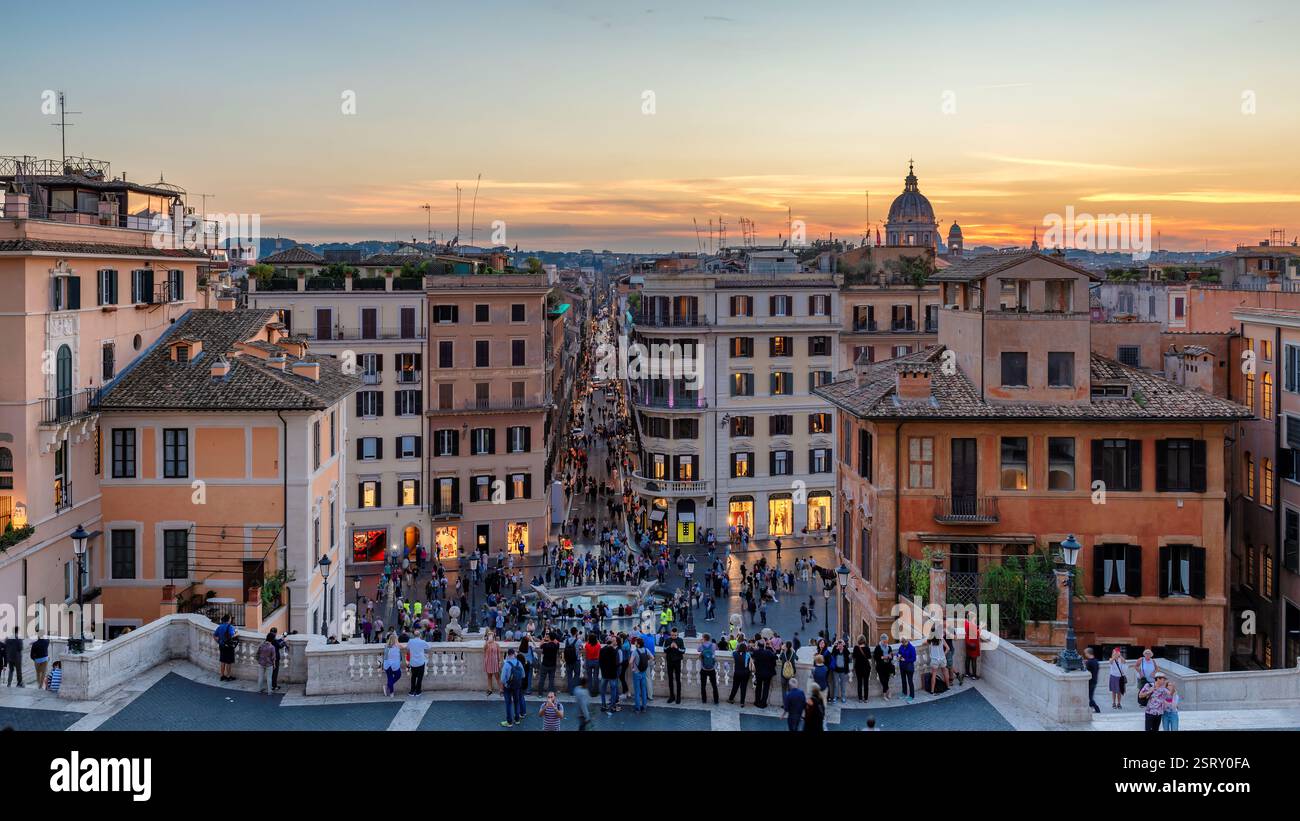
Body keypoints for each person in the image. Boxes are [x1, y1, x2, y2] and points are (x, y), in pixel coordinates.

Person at [501, 648, 526, 726]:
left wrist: (504, 685)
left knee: (508, 703)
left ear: (508, 655)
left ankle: (509, 722)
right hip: (517, 686)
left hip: (508, 687)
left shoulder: (506, 664)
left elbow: (502, 679)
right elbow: (523, 675)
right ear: (514, 654)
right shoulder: (519, 663)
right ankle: (517, 719)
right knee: (516, 702)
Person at [752, 638, 777, 708]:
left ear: (758, 646)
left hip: (759, 673)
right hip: (768, 673)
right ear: (764, 646)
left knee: (758, 688)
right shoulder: (768, 652)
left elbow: (752, 656)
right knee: (766, 688)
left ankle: (757, 702)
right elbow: (775, 657)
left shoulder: (756, 652)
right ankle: (763, 703)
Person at [599, 635, 621, 713]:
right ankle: (612, 707)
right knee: (613, 690)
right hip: (612, 674)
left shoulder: (602, 650)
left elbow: (600, 662)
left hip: (604, 674)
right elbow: (617, 663)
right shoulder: (615, 651)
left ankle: (603, 705)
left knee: (602, 690)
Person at [663, 627, 685, 703]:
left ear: (677, 634)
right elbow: (665, 650)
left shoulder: (680, 640)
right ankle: (671, 696)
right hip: (669, 662)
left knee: (678, 680)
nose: (673, 637)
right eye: (672, 635)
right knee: (670, 680)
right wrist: (670, 646)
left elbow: (683, 651)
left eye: (675, 635)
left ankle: (678, 697)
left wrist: (676, 647)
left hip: (677, 662)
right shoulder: (668, 640)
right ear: (670, 634)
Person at [727, 640, 752, 706]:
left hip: (737, 672)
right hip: (745, 673)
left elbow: (733, 652)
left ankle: (731, 699)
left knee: (735, 686)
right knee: (743, 688)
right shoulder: (748, 654)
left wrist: (737, 649)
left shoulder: (735, 654)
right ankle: (742, 702)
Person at [406, 630, 429, 696]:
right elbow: (429, 647)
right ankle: (418, 691)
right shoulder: (422, 642)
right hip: (420, 662)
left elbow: (407, 648)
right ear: (420, 635)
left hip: (413, 662)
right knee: (419, 677)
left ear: (414, 635)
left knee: (413, 677)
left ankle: (412, 691)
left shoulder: (410, 641)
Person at [698, 632, 719, 704]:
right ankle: (716, 700)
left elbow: (698, 650)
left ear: (704, 638)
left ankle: (704, 700)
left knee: (703, 685)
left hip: (704, 669)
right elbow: (716, 649)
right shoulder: (713, 645)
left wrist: (701, 643)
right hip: (712, 668)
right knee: (714, 685)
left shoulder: (702, 646)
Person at [213, 616, 236, 682]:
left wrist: (218, 642)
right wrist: (237, 633)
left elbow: (214, 635)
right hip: (229, 647)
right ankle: (228, 676)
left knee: (222, 661)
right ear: (228, 620)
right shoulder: (230, 627)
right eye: (230, 619)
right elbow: (232, 635)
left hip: (222, 645)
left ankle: (222, 675)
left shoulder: (220, 627)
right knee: (228, 662)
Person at [631, 636, 651, 713]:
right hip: (643, 672)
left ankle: (637, 708)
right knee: (643, 690)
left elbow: (630, 662)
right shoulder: (646, 650)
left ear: (638, 644)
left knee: (637, 691)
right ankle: (644, 707)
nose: (635, 643)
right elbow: (652, 657)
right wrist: (647, 662)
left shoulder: (635, 652)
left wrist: (632, 668)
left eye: (636, 642)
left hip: (636, 672)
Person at [873, 635, 895, 700]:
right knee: (883, 680)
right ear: (881, 641)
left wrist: (890, 656)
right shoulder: (878, 647)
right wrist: (883, 657)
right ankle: (888, 691)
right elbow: (875, 657)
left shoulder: (889, 647)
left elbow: (891, 656)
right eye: (884, 641)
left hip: (888, 666)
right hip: (880, 667)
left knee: (886, 680)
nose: (886, 642)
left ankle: (884, 695)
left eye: (886, 641)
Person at [852, 636, 872, 702]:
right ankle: (866, 699)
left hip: (858, 668)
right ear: (864, 640)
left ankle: (860, 698)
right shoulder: (867, 648)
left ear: (858, 640)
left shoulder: (856, 648)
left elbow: (853, 656)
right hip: (866, 668)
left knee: (859, 683)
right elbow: (869, 658)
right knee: (866, 683)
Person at [897, 637, 917, 703]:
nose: (903, 644)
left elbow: (914, 659)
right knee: (903, 680)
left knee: (910, 681)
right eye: (902, 642)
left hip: (909, 667)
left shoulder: (912, 648)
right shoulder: (901, 646)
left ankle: (912, 696)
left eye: (904, 642)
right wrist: (898, 656)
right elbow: (898, 653)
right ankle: (904, 693)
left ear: (907, 641)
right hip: (902, 666)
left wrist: (905, 660)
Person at [483, 630, 502, 696]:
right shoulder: (487, 644)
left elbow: (499, 653)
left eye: (491, 635)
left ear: (493, 636)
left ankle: (501, 689)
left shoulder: (497, 644)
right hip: (488, 661)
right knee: (489, 676)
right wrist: (487, 642)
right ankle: (490, 689)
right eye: (489, 635)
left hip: (494, 662)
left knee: (497, 676)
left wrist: (499, 662)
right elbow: (484, 649)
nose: (490, 636)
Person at [963, 615, 981, 679]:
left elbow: (966, 635)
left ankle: (967, 673)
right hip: (974, 645)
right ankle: (974, 676)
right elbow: (977, 634)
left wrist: (969, 643)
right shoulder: (973, 625)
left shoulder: (968, 624)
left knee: (968, 659)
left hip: (969, 644)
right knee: (974, 660)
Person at [1084, 647, 1101, 713]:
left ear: (1088, 653)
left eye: (1085, 653)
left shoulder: (1089, 662)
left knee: (1089, 697)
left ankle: (1097, 709)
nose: (1085, 654)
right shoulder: (1096, 661)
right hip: (1094, 680)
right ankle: (1092, 708)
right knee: (1090, 696)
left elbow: (1086, 671)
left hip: (1090, 682)